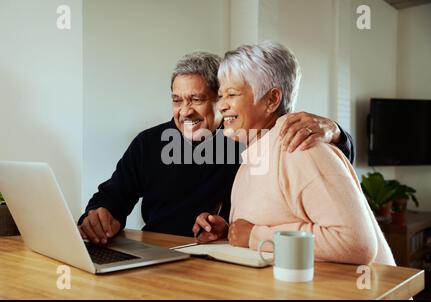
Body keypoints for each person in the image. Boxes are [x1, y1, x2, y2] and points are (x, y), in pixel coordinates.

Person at [78, 51, 355, 245]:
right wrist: (99, 216)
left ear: (221, 100)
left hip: (224, 259)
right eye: (177, 100)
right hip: (157, 254)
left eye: (196, 99)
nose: (185, 111)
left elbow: (332, 163)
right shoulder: (148, 143)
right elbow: (112, 196)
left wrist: (337, 132)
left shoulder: (246, 137)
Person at [193, 42, 395, 265]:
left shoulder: (297, 149)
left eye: (231, 94)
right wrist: (229, 232)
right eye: (220, 95)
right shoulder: (252, 159)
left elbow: (356, 244)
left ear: (272, 99)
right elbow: (273, 222)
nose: (222, 106)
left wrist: (255, 236)